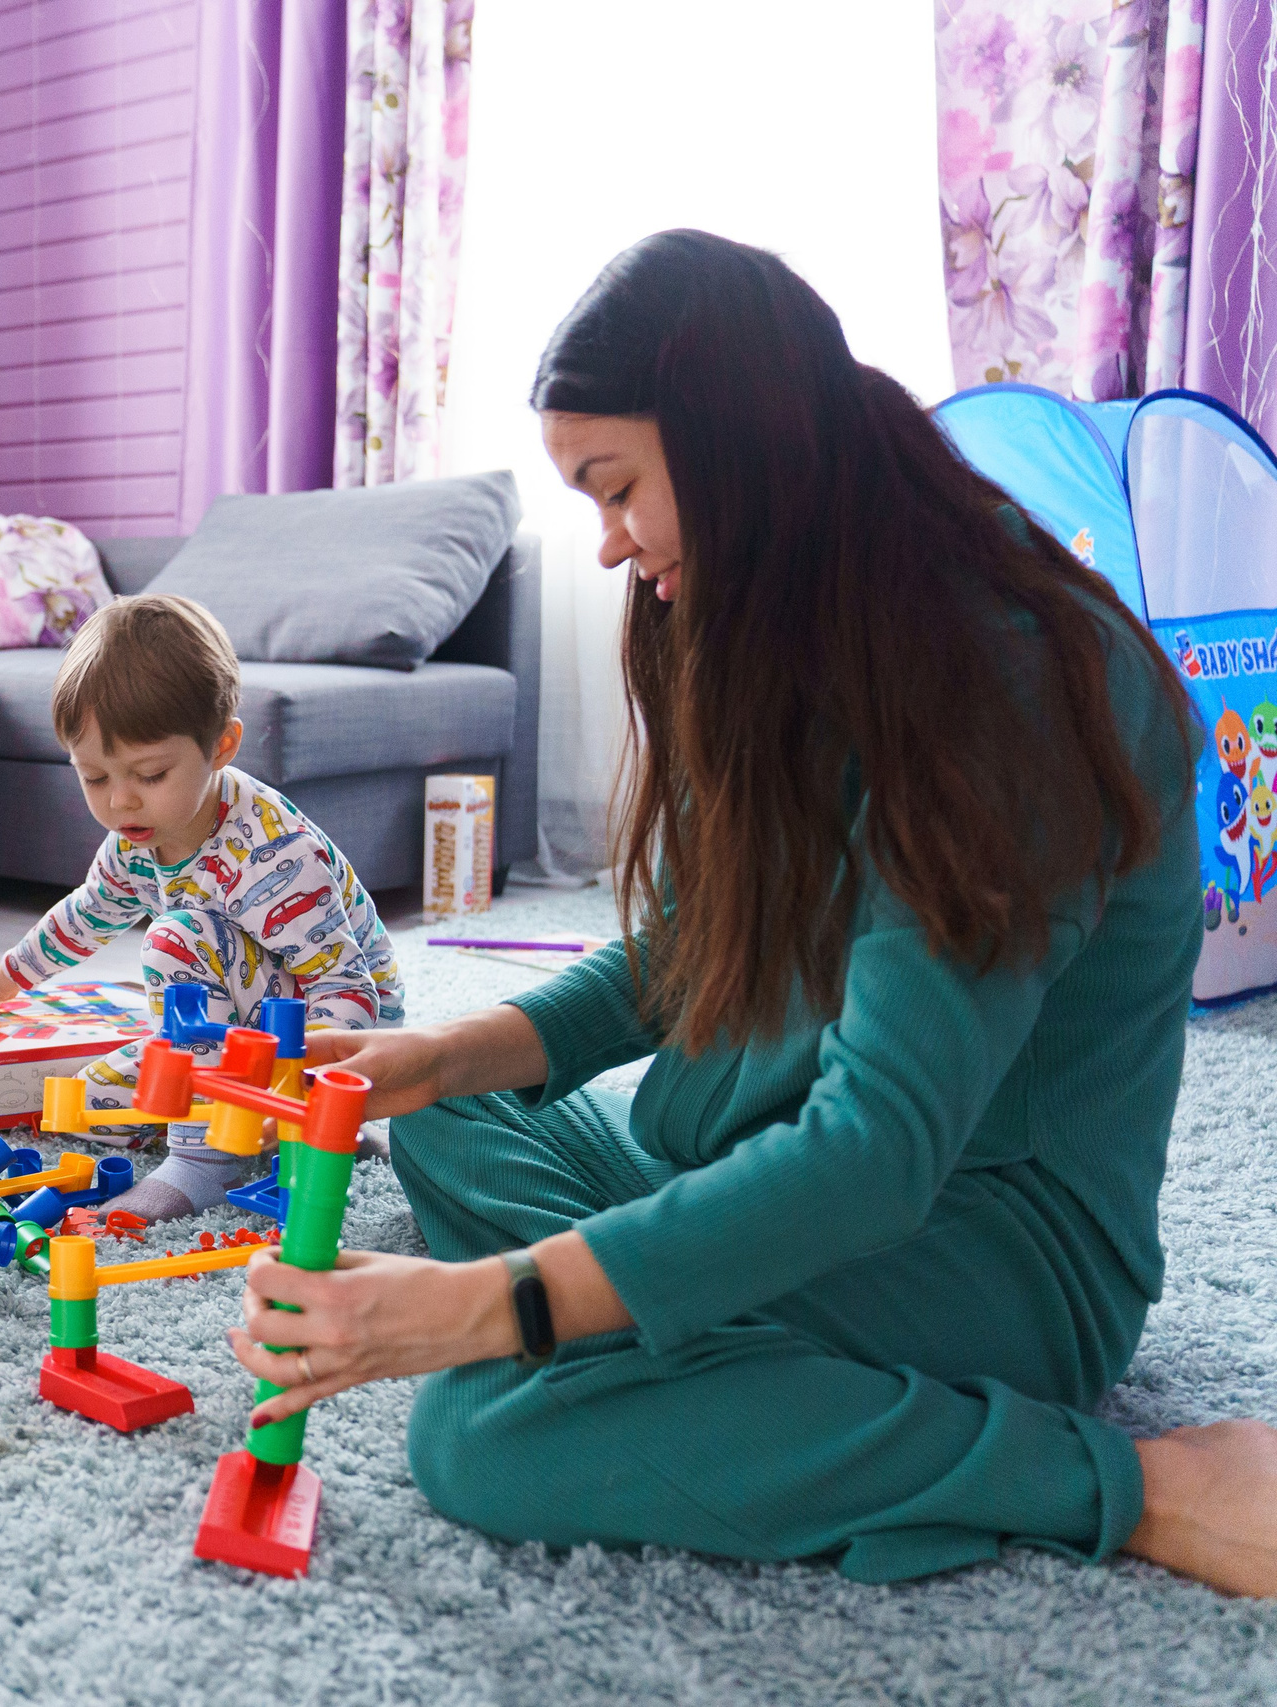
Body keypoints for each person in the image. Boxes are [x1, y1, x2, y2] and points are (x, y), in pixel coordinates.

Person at [221, 231, 1277, 1597]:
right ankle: (691, 1322)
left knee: (485, 1421)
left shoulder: (996, 683)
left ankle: (1130, 1484)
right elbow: (702, 947)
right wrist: (446, 1056)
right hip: (752, 1154)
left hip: (985, 1239)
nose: (607, 543)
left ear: (735, 445)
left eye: (617, 490)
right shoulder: (817, 609)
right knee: (442, 1095)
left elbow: (879, 1150)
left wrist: (501, 1299)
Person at [0, 594, 402, 1221]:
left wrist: (304, 1092)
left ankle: (206, 1161)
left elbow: (348, 988)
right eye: (94, 777)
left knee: (174, 939)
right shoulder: (138, 838)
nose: (121, 802)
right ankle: (306, 1136)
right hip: (231, 1029)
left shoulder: (271, 854)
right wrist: (4, 978)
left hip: (330, 1033)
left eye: (150, 775)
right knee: (83, 1104)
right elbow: (90, 912)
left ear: (222, 746)